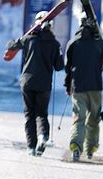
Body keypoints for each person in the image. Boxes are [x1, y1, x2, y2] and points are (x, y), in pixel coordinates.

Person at [6, 11, 64, 156]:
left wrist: (21, 37)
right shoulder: (55, 44)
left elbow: (11, 45)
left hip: (27, 82)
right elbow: (59, 66)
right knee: (41, 114)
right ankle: (43, 137)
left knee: (29, 114)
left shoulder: (28, 39)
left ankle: (31, 146)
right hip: (44, 84)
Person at [65, 17, 103, 161]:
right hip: (95, 86)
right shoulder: (98, 43)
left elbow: (67, 67)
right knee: (93, 119)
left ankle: (76, 147)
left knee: (78, 117)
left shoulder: (73, 43)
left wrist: (67, 85)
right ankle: (91, 149)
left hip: (78, 87)